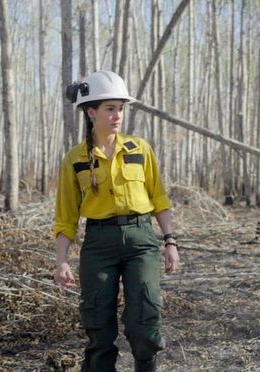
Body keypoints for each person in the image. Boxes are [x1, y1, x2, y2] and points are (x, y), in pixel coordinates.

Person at [53, 70, 180, 372]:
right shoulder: (75, 159)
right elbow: (66, 216)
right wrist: (61, 261)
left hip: (141, 241)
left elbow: (159, 199)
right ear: (91, 112)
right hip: (98, 245)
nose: (117, 115)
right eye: (110, 108)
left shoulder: (140, 149)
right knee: (98, 329)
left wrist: (170, 242)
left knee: (146, 325)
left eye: (121, 108)